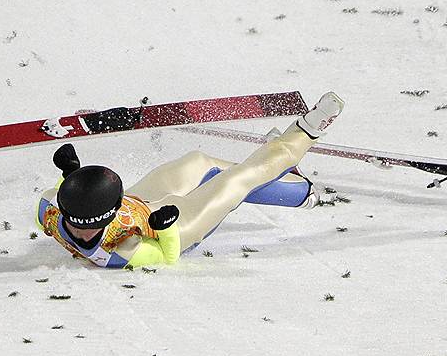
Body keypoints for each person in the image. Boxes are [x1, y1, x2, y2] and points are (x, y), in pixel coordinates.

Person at [35, 91, 344, 268]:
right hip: (177, 229)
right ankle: (305, 133)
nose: (83, 234)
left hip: (139, 203)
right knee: (237, 180)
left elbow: (58, 193)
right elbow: (168, 259)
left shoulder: (49, 208)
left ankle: (297, 189)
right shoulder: (118, 253)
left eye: (87, 226)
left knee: (198, 162)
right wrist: (166, 227)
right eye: (81, 228)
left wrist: (72, 174)